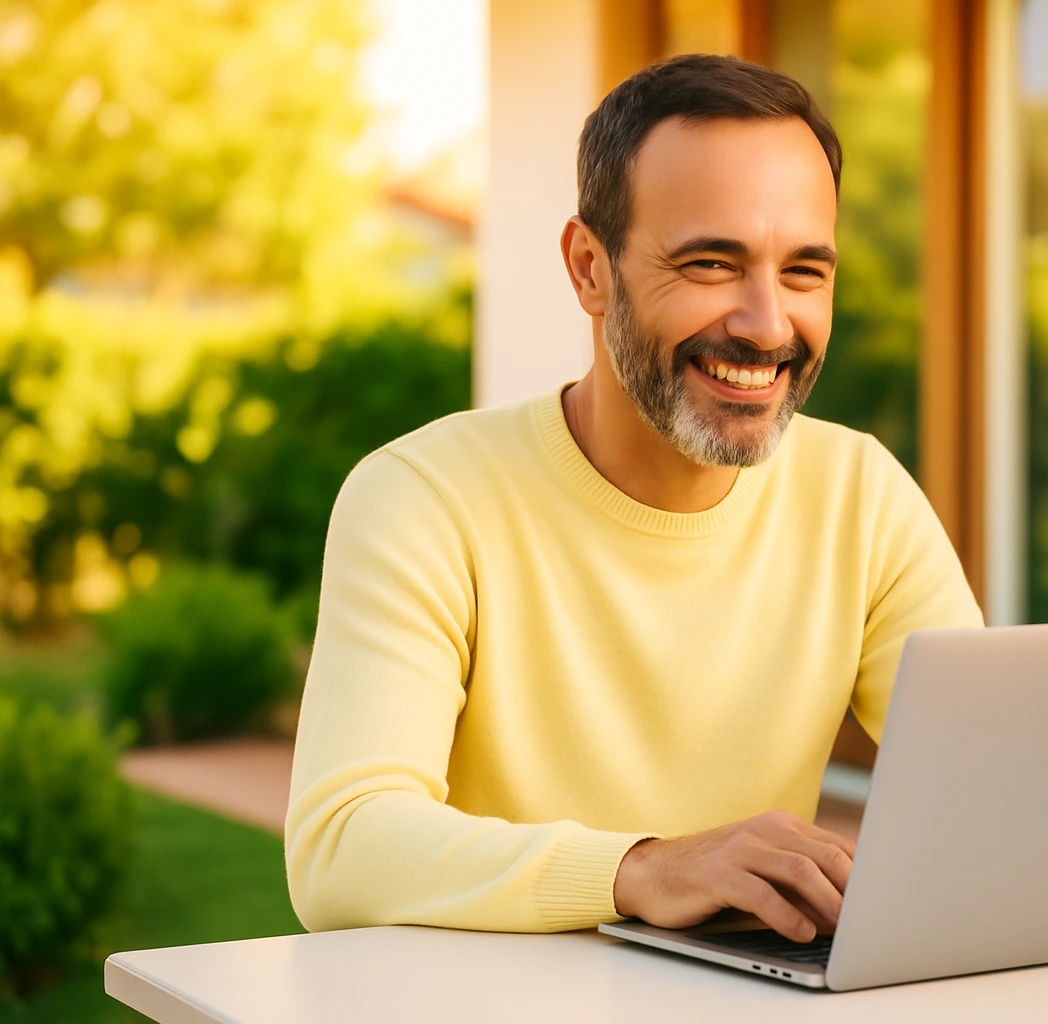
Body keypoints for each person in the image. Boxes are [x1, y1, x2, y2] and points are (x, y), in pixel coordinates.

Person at [284, 53, 982, 945]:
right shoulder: (425, 500)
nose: (768, 324)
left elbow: (994, 781)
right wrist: (640, 869)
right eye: (710, 263)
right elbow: (340, 849)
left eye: (805, 271)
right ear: (589, 269)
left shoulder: (861, 496)